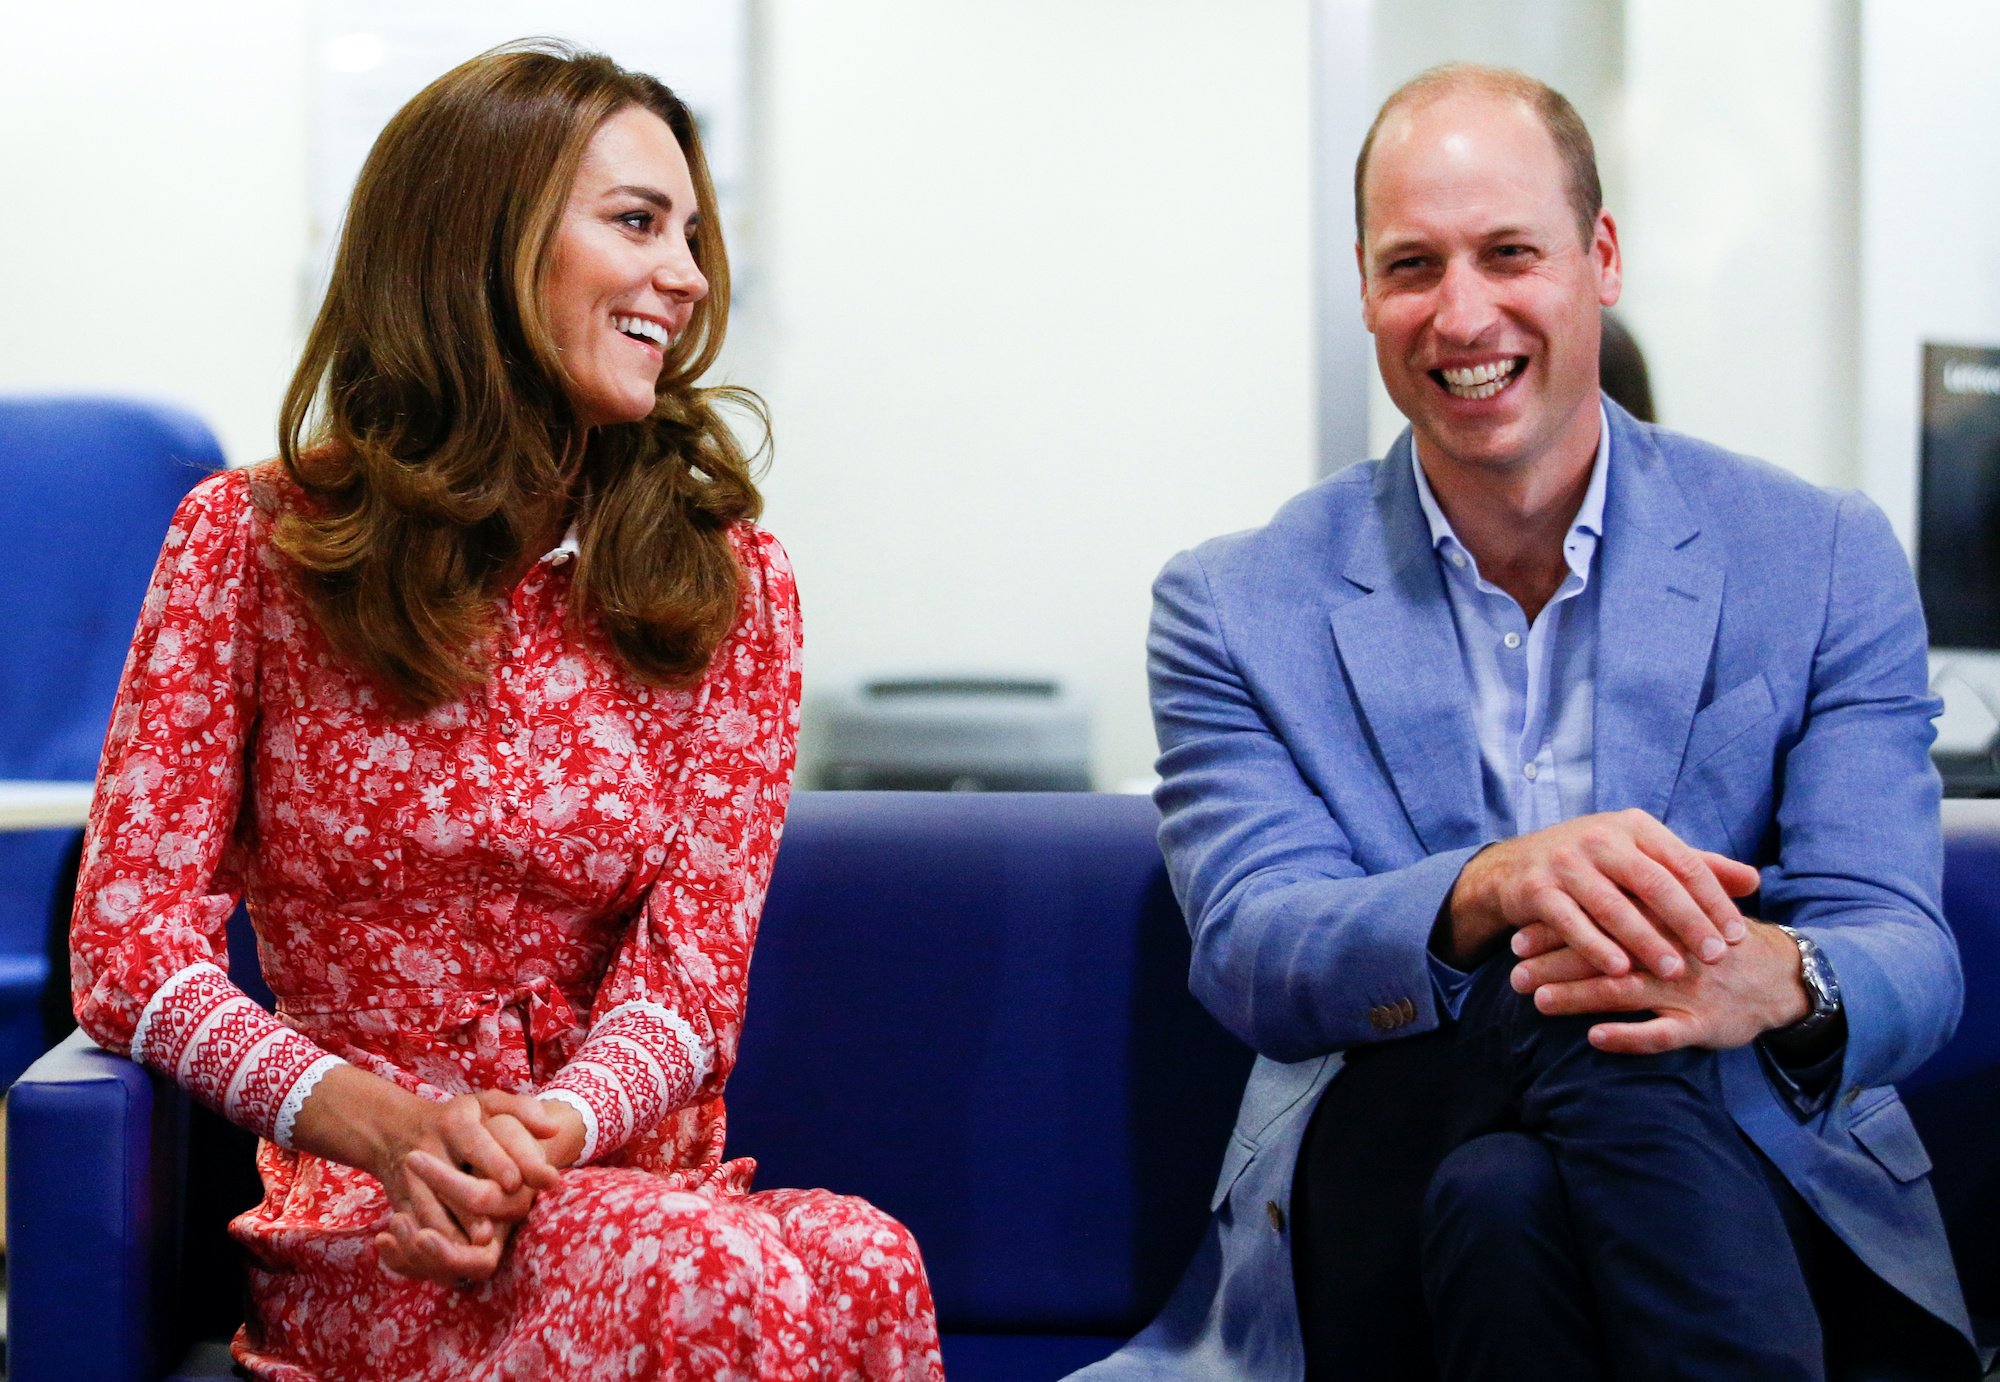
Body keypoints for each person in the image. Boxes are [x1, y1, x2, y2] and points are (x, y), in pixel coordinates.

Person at [1078, 64, 1976, 1381]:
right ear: (1367, 286)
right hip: (1376, 1171)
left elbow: (1906, 949)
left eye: (1509, 252)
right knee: (1567, 971)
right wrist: (1502, 887)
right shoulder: (1234, 601)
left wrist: (1769, 976)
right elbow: (1259, 952)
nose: (1461, 312)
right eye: (1412, 265)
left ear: (1599, 258)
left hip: (1749, 1168)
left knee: (1507, 1200)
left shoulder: (1817, 555)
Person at [69, 41, 941, 1381]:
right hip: (373, 1216)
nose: (690, 277)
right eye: (639, 223)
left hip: (612, 1176)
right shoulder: (247, 545)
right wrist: (386, 1129)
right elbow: (132, 951)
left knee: (869, 1258)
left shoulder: (735, 584)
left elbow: (691, 983)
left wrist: (543, 1134)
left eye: (693, 235)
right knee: (709, 1276)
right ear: (482, 243)